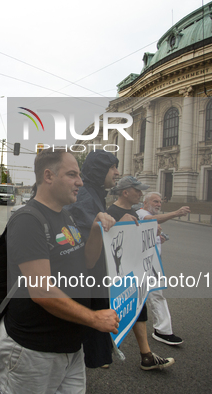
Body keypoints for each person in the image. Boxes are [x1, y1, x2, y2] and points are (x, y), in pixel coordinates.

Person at [0, 147, 119, 393]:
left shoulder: (66, 216)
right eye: (72, 175)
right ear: (48, 176)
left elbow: (87, 263)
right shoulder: (28, 220)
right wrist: (94, 318)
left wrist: (95, 230)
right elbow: (41, 291)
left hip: (70, 345)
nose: (80, 182)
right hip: (33, 349)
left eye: (80, 175)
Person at [107, 176, 175, 370]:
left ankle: (146, 355)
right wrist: (119, 223)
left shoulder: (134, 211)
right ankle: (101, 352)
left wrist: (152, 231)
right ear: (125, 192)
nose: (140, 193)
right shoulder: (111, 211)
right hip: (116, 276)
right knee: (112, 311)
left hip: (134, 273)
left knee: (139, 310)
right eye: (137, 190)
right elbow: (108, 242)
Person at [65, 150, 120, 369]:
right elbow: (88, 255)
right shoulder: (87, 196)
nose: (117, 172)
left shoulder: (93, 193)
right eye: (113, 167)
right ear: (100, 170)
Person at [137, 192, 190, 346]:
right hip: (142, 265)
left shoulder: (149, 216)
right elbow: (150, 220)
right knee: (132, 298)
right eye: (155, 201)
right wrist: (177, 213)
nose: (159, 204)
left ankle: (163, 331)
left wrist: (159, 239)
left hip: (153, 264)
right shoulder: (141, 213)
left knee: (156, 295)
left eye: (160, 202)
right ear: (146, 202)